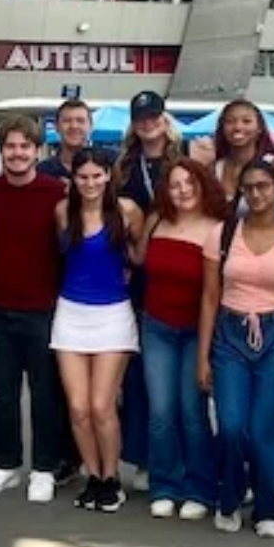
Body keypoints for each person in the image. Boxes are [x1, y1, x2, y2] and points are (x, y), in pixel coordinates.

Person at [196, 154, 274, 538]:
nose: (257, 194)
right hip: (230, 334)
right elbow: (210, 298)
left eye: (264, 186)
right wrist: (202, 358)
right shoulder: (224, 234)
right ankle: (228, 497)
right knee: (231, 425)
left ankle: (269, 504)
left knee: (266, 428)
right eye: (249, 188)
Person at [0, 116, 70, 502]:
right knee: (1, 392)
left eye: (24, 147)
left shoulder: (55, 193)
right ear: (2, 149)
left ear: (36, 150)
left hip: (43, 307)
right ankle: (5, 464)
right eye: (10, 146)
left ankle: (44, 468)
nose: (17, 153)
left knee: (46, 394)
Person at [53, 148, 145, 511]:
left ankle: (111, 479)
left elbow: (140, 256)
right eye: (83, 176)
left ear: (109, 175)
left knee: (101, 405)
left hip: (113, 315)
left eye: (96, 175)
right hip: (71, 313)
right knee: (78, 408)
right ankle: (93, 475)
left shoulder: (127, 211)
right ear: (74, 179)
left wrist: (128, 270)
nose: (90, 183)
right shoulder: (63, 212)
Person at [137, 158, 224, 521]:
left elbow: (214, 294)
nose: (183, 190)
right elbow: (139, 259)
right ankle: (164, 484)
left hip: (195, 332)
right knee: (160, 411)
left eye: (189, 182)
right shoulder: (156, 220)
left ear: (202, 183)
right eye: (175, 184)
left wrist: (207, 349)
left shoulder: (217, 228)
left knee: (192, 412)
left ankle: (199, 488)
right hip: (156, 326)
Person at [111, 90, 183, 489]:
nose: (147, 122)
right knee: (137, 371)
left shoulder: (183, 158)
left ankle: (177, 454)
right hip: (137, 275)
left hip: (178, 270)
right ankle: (141, 456)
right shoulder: (123, 165)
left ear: (163, 117)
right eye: (141, 117)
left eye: (153, 115)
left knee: (181, 375)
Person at [204, 100, 274, 218]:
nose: (238, 127)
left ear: (259, 128)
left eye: (246, 121)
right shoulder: (213, 169)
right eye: (230, 121)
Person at [39, 98, 94, 179]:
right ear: (56, 127)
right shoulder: (42, 172)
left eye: (80, 121)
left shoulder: (110, 164)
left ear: (91, 126)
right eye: (67, 121)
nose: (74, 126)